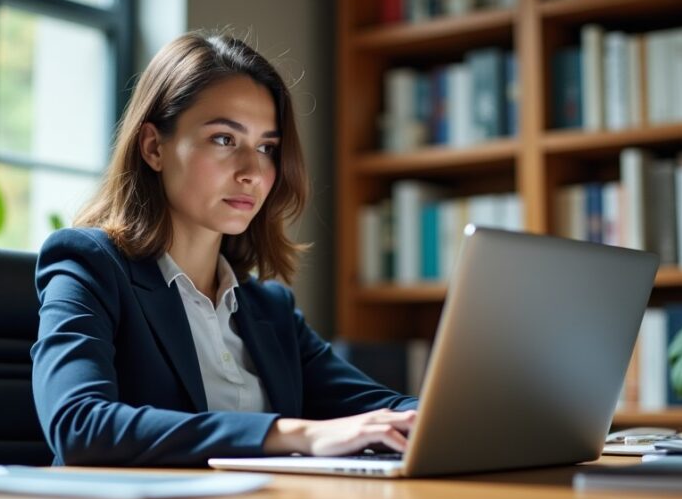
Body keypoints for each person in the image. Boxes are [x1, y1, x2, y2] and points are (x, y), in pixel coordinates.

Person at [31, 32, 418, 466]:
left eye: (267, 148)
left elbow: (379, 410)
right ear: (154, 148)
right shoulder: (88, 266)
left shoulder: (269, 310)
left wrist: (438, 420)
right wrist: (294, 433)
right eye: (224, 139)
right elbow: (80, 426)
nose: (253, 171)